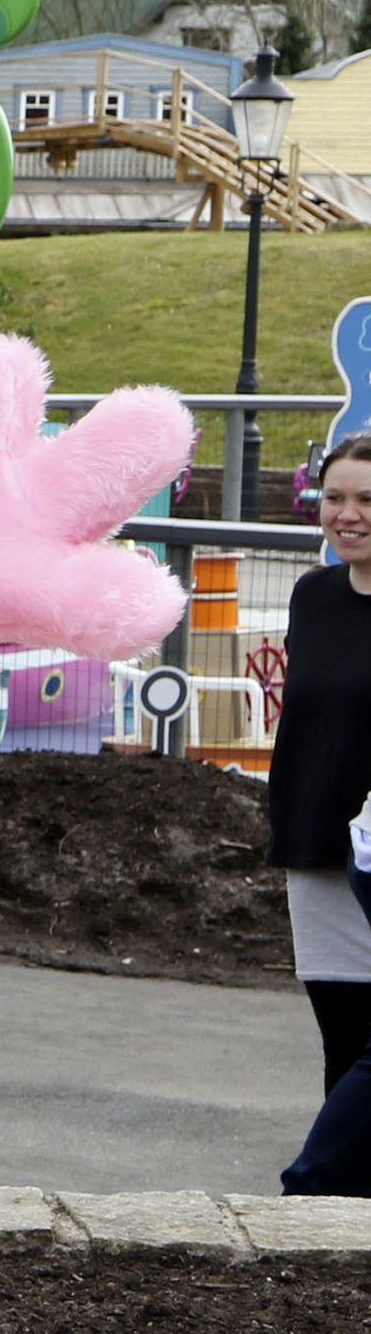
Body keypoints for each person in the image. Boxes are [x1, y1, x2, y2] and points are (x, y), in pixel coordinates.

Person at [266, 434, 371, 1094]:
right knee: (343, 1044)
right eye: (335, 497)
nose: (348, 513)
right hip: (317, 844)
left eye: (367, 499)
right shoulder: (313, 595)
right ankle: (338, 1194)